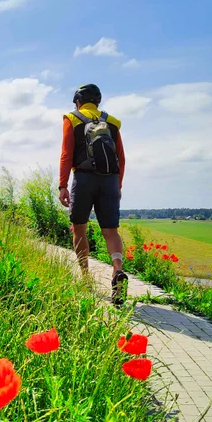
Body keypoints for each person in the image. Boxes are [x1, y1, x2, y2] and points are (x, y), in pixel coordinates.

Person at [58, 83, 128, 305]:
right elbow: (121, 158)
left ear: (78, 101)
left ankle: (86, 278)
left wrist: (62, 185)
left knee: (79, 228)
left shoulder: (72, 118)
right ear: (98, 102)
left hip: (84, 178)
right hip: (109, 180)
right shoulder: (113, 122)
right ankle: (117, 269)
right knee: (111, 231)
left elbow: (66, 153)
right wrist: (117, 185)